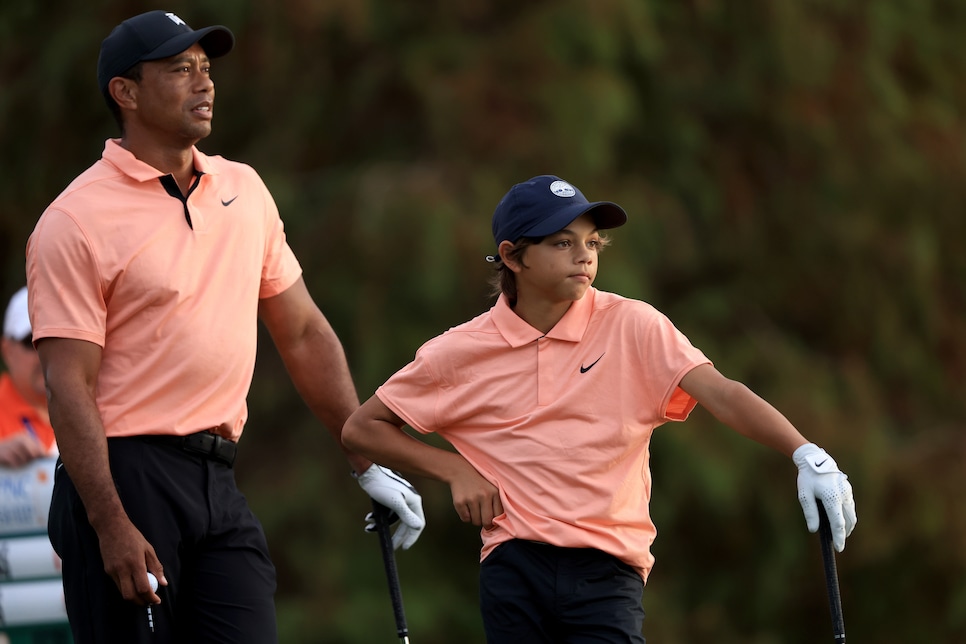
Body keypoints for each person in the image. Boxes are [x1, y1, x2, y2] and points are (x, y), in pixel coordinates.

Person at [25, 11, 424, 644]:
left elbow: (302, 333)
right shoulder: (74, 220)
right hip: (124, 476)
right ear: (124, 93)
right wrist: (110, 524)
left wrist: (364, 456)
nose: (203, 84)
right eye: (180, 70)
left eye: (206, 69)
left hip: (217, 480)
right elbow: (69, 385)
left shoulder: (245, 190)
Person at [342, 174, 858, 642]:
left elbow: (721, 392)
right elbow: (362, 429)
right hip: (513, 563)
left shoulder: (632, 325)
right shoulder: (459, 352)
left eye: (592, 243)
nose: (583, 256)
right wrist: (451, 469)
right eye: (562, 243)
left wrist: (805, 451)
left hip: (608, 571)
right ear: (514, 256)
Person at [0, 286, 57, 467]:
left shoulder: (97, 406)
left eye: (54, 339)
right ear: (7, 351)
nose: (44, 352)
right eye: (31, 341)